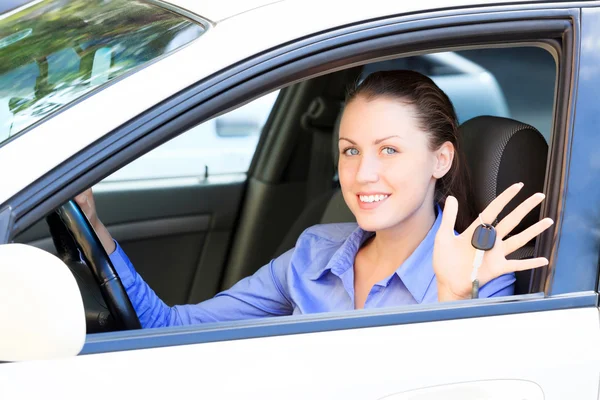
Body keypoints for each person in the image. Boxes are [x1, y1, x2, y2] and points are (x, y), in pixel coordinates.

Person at [76, 70, 554, 328]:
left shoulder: (476, 271)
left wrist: (453, 294)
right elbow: (170, 329)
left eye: (389, 149)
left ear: (440, 160)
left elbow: (468, 384)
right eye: (350, 150)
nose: (362, 174)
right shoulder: (312, 255)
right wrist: (94, 226)